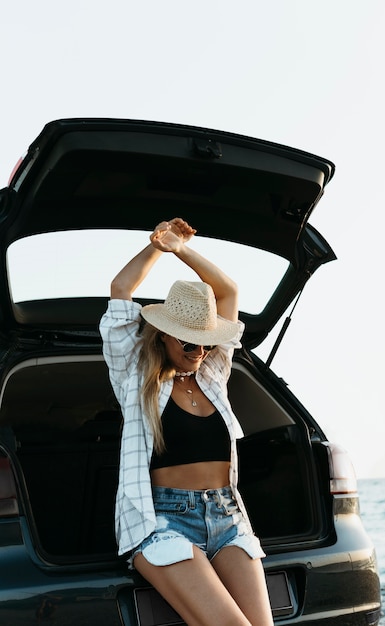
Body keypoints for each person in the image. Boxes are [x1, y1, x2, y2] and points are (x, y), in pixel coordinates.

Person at [99, 218, 273, 626]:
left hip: (228, 517)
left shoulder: (212, 375)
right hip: (164, 522)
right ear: (163, 335)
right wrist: (158, 248)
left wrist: (184, 250)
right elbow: (121, 291)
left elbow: (228, 292)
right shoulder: (135, 378)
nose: (200, 351)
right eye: (189, 342)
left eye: (208, 341)